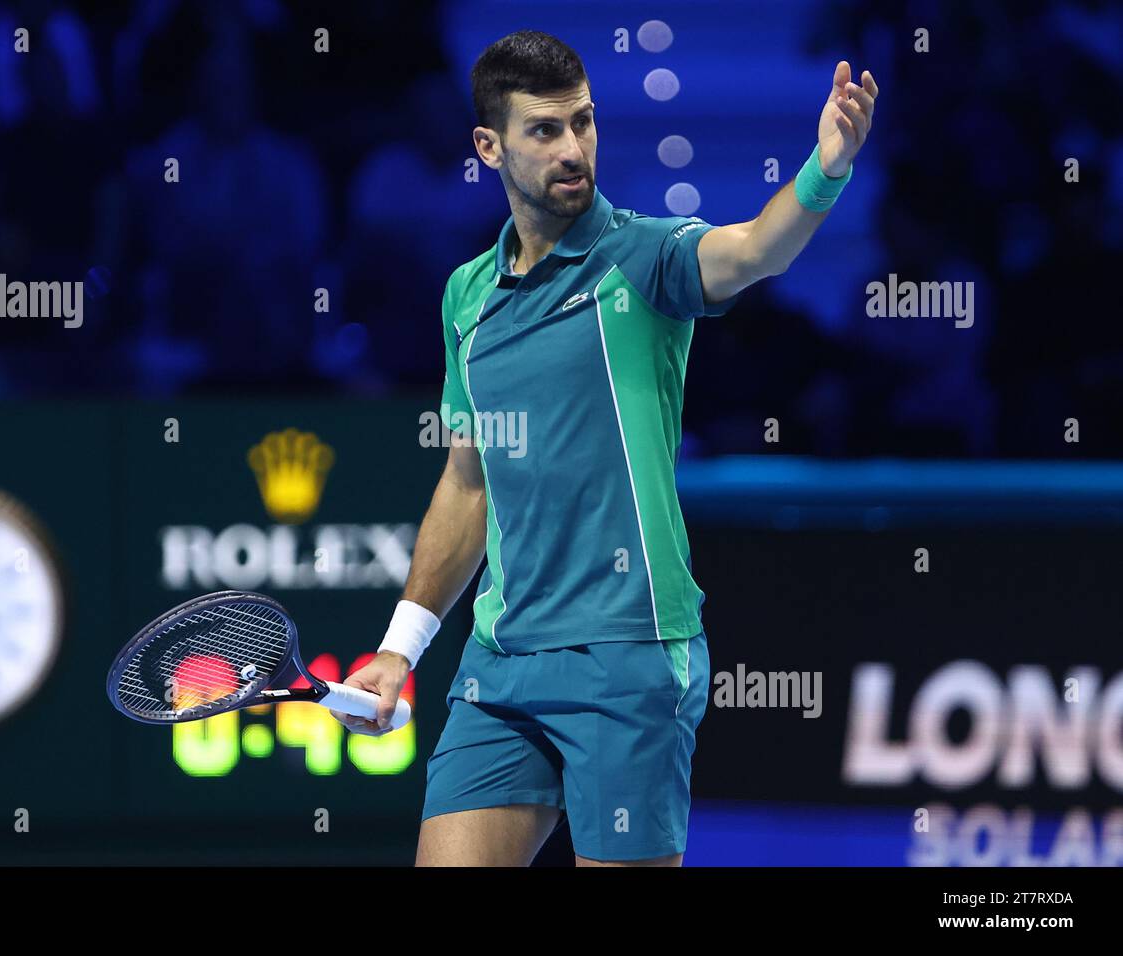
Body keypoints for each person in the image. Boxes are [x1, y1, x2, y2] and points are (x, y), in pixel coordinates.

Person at [330, 29, 877, 866]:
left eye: (582, 123)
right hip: (501, 665)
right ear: (489, 147)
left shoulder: (645, 257)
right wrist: (399, 650)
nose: (573, 148)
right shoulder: (466, 296)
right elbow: (469, 484)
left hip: (628, 663)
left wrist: (825, 167)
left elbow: (756, 248)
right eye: (544, 131)